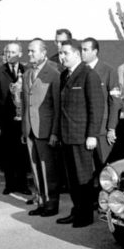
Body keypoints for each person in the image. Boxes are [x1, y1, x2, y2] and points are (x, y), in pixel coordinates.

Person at [50, 39, 103, 228]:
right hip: (66, 135)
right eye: (61, 53)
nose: (62, 57)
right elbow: (60, 108)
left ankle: (85, 215)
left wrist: (92, 135)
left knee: (83, 178)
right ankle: (77, 210)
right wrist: (56, 133)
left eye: (66, 53)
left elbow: (96, 107)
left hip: (81, 137)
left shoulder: (89, 75)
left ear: (77, 54)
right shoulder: (65, 75)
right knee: (72, 179)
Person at [22, 38, 61, 217]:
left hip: (45, 129)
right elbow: (25, 104)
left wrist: (54, 132)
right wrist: (24, 128)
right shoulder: (27, 74)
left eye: (33, 51)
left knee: (48, 168)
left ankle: (51, 203)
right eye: (28, 51)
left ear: (43, 52)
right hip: (30, 129)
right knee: (35, 166)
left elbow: (56, 106)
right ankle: (40, 200)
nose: (29, 54)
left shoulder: (53, 74)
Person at [0, 41, 29, 195]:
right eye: (7, 52)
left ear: (20, 54)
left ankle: (23, 184)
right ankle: (10, 184)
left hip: (23, 119)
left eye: (13, 52)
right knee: (8, 153)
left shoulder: (26, 71)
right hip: (5, 118)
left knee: (22, 152)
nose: (10, 55)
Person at [81, 37, 119, 170]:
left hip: (102, 129)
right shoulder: (80, 71)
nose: (82, 53)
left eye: (86, 50)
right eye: (81, 49)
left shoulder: (108, 71)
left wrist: (111, 128)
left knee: (104, 166)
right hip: (84, 128)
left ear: (95, 51)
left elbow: (114, 101)